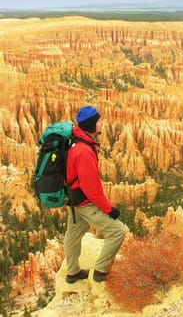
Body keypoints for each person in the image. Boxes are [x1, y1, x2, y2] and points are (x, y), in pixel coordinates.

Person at [64, 105, 128, 284]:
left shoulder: (78, 142)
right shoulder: (83, 151)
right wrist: (109, 209)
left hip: (75, 200)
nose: (102, 123)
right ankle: (101, 271)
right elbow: (91, 188)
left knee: (73, 235)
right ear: (91, 125)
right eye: (99, 121)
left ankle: (73, 273)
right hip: (85, 203)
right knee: (118, 231)